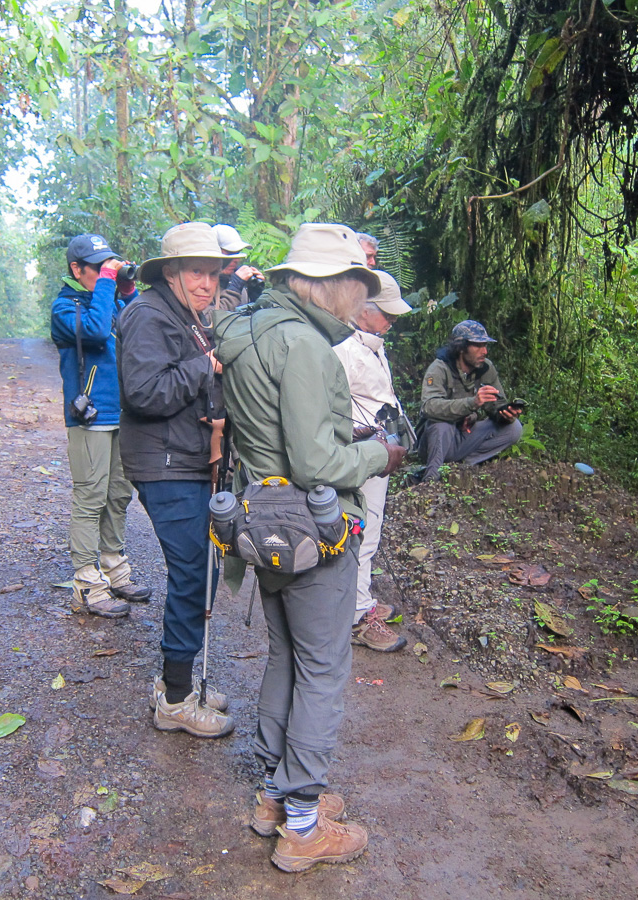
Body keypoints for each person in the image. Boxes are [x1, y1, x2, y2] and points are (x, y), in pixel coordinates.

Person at [212, 223, 407, 873]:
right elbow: (315, 458)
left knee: (287, 658)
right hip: (313, 530)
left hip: (260, 522)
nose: (364, 299)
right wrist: (381, 451)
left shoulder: (248, 331)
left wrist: (335, 426)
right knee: (322, 668)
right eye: (361, 285)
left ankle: (276, 794)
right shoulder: (305, 347)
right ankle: (302, 824)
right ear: (331, 285)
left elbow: (274, 427)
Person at [116, 223, 235, 739]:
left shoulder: (187, 315)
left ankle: (177, 684)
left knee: (201, 570)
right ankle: (177, 699)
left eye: (213, 273)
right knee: (192, 573)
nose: (207, 283)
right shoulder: (147, 315)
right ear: (171, 272)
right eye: (196, 272)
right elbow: (144, 392)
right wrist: (205, 366)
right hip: (164, 466)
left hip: (185, 460)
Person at [50, 234, 152, 618]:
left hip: (122, 414)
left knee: (118, 495)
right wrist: (108, 284)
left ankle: (113, 567)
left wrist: (126, 290)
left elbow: (140, 330)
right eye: (97, 267)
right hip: (89, 416)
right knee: (90, 497)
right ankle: (86, 585)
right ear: (76, 269)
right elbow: (93, 332)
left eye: (107, 265)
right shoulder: (65, 307)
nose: (103, 272)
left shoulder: (109, 299)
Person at [332, 271, 411, 654]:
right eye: (386, 312)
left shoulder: (371, 344)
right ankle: (358, 615)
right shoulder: (342, 348)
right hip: (362, 452)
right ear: (363, 309)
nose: (391, 320)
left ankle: (358, 599)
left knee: (370, 527)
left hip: (380, 451)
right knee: (361, 529)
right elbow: (331, 407)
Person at [417, 319, 524, 480]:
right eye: (478, 346)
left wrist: (506, 413)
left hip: (464, 436)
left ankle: (465, 466)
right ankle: (431, 477)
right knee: (441, 425)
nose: (484, 351)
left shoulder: (486, 368)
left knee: (514, 428)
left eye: (485, 346)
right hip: (435, 442)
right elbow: (429, 407)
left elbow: (497, 405)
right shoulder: (439, 368)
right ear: (461, 348)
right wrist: (472, 403)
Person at [213, 223, 265, 309]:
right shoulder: (205, 285)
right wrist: (234, 287)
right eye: (230, 254)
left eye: (237, 253)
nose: (236, 259)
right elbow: (212, 317)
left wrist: (256, 296)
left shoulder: (237, 278)